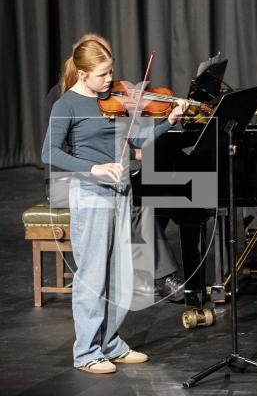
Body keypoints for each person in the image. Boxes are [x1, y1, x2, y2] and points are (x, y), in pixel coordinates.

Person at [42, 34, 188, 374]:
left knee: (122, 273)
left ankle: (111, 344)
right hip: (90, 195)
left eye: (111, 72)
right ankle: (86, 352)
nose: (110, 80)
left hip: (122, 192)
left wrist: (168, 123)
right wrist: (92, 167)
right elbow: (48, 152)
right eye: (103, 74)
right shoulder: (66, 105)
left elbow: (137, 139)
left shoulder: (113, 101)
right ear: (82, 74)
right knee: (92, 275)